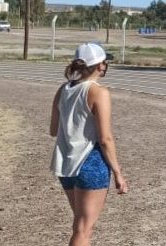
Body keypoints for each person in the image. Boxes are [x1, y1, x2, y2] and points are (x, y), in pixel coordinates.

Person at [51, 43, 128, 246]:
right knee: (84, 229)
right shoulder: (98, 92)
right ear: (99, 65)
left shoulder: (63, 90)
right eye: (104, 62)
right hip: (90, 162)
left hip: (65, 163)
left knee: (80, 226)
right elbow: (105, 139)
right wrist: (118, 173)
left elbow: (53, 130)